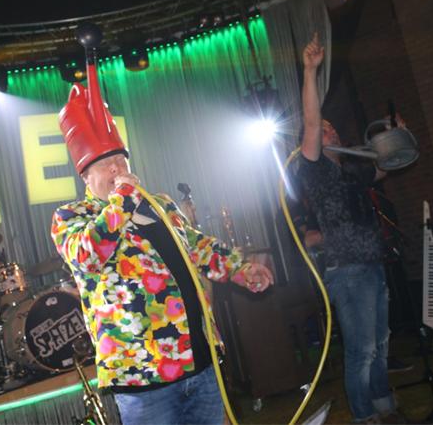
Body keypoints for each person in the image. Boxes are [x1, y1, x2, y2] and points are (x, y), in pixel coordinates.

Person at [50, 66, 274, 425]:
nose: (116, 168)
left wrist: (239, 269)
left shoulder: (160, 204)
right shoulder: (71, 217)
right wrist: (122, 200)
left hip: (200, 362)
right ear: (85, 177)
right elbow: (88, 256)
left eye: (120, 160)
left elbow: (197, 246)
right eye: (105, 164)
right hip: (143, 379)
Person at [296, 33, 404, 424]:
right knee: (361, 350)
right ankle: (364, 416)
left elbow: (387, 166)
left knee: (380, 345)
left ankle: (384, 407)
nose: (332, 132)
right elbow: (310, 120)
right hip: (347, 271)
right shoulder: (316, 170)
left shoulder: (352, 173)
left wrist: (398, 137)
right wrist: (310, 72)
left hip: (372, 264)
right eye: (325, 131)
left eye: (333, 129)